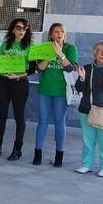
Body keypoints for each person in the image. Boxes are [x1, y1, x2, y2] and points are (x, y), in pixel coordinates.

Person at [0, 18, 34, 161]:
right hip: (3, 82)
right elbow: (0, 64)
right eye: (19, 28)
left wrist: (17, 75)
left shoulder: (30, 46)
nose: (21, 31)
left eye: (24, 28)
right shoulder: (5, 44)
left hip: (20, 83)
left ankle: (17, 150)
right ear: (13, 29)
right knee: (1, 116)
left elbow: (32, 69)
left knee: (19, 117)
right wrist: (3, 69)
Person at [33, 23, 77, 167]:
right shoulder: (44, 47)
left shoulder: (70, 48)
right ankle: (37, 155)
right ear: (51, 34)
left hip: (62, 92)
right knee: (43, 121)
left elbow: (71, 68)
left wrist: (60, 54)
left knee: (59, 122)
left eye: (62, 31)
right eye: (56, 32)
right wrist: (49, 54)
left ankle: (59, 156)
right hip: (45, 90)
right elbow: (39, 69)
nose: (59, 34)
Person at [74, 42, 103, 177]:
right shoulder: (87, 68)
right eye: (100, 51)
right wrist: (82, 78)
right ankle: (86, 165)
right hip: (87, 109)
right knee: (87, 140)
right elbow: (79, 88)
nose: (102, 54)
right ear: (95, 53)